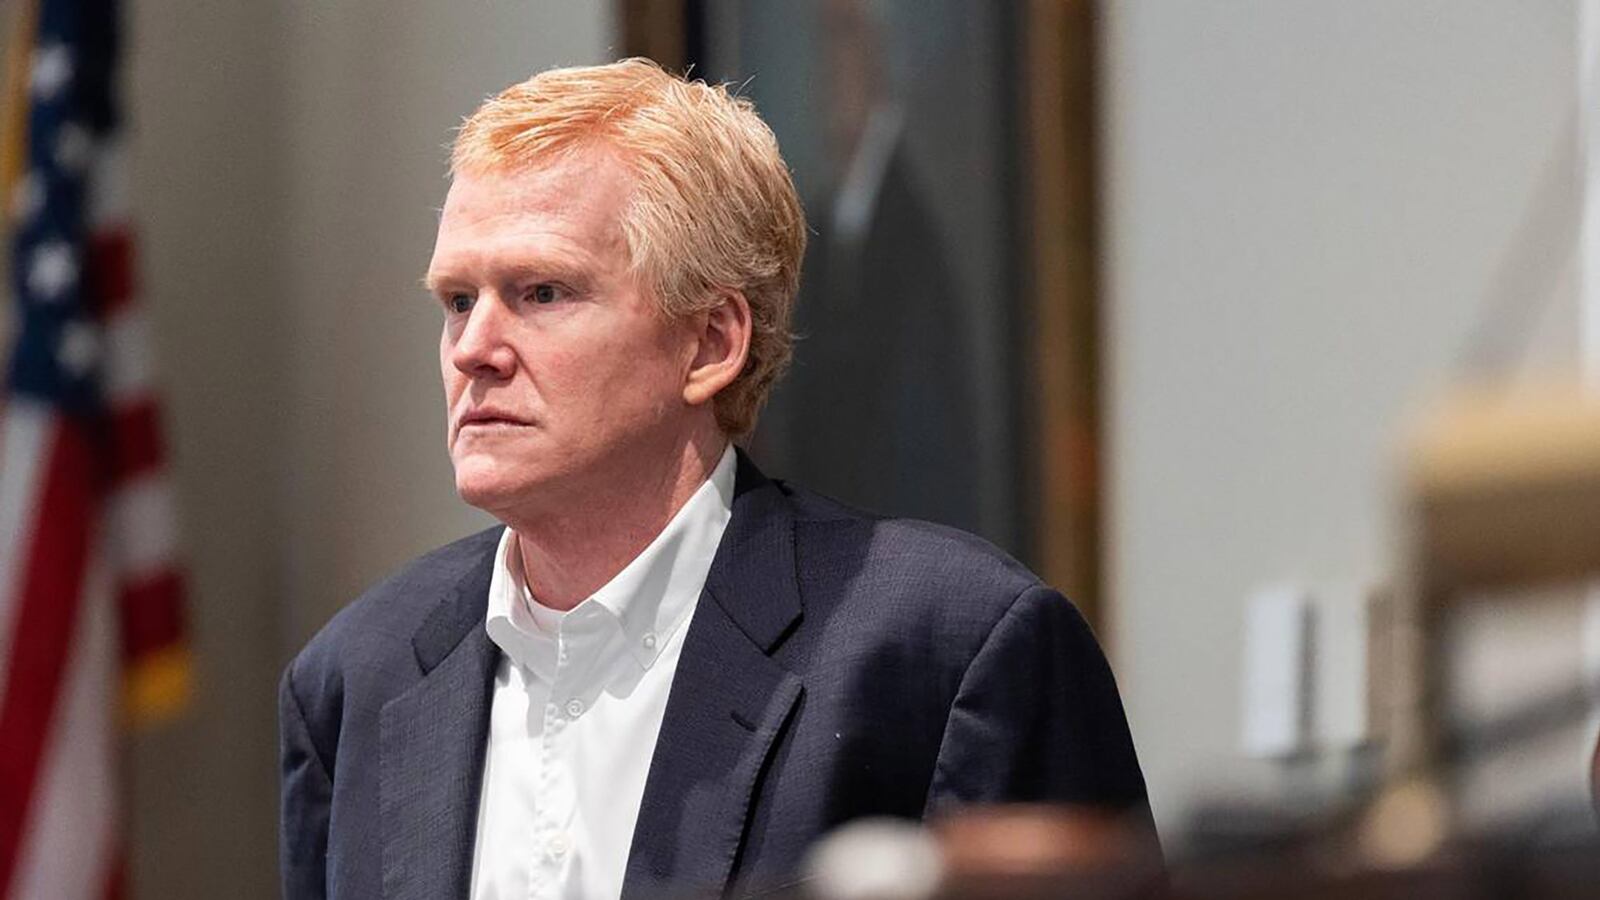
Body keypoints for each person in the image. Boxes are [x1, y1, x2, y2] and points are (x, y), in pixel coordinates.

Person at [278, 58, 1153, 900]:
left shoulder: (949, 653)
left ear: (710, 344)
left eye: (541, 292)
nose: (474, 349)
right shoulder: (353, 681)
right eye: (459, 301)